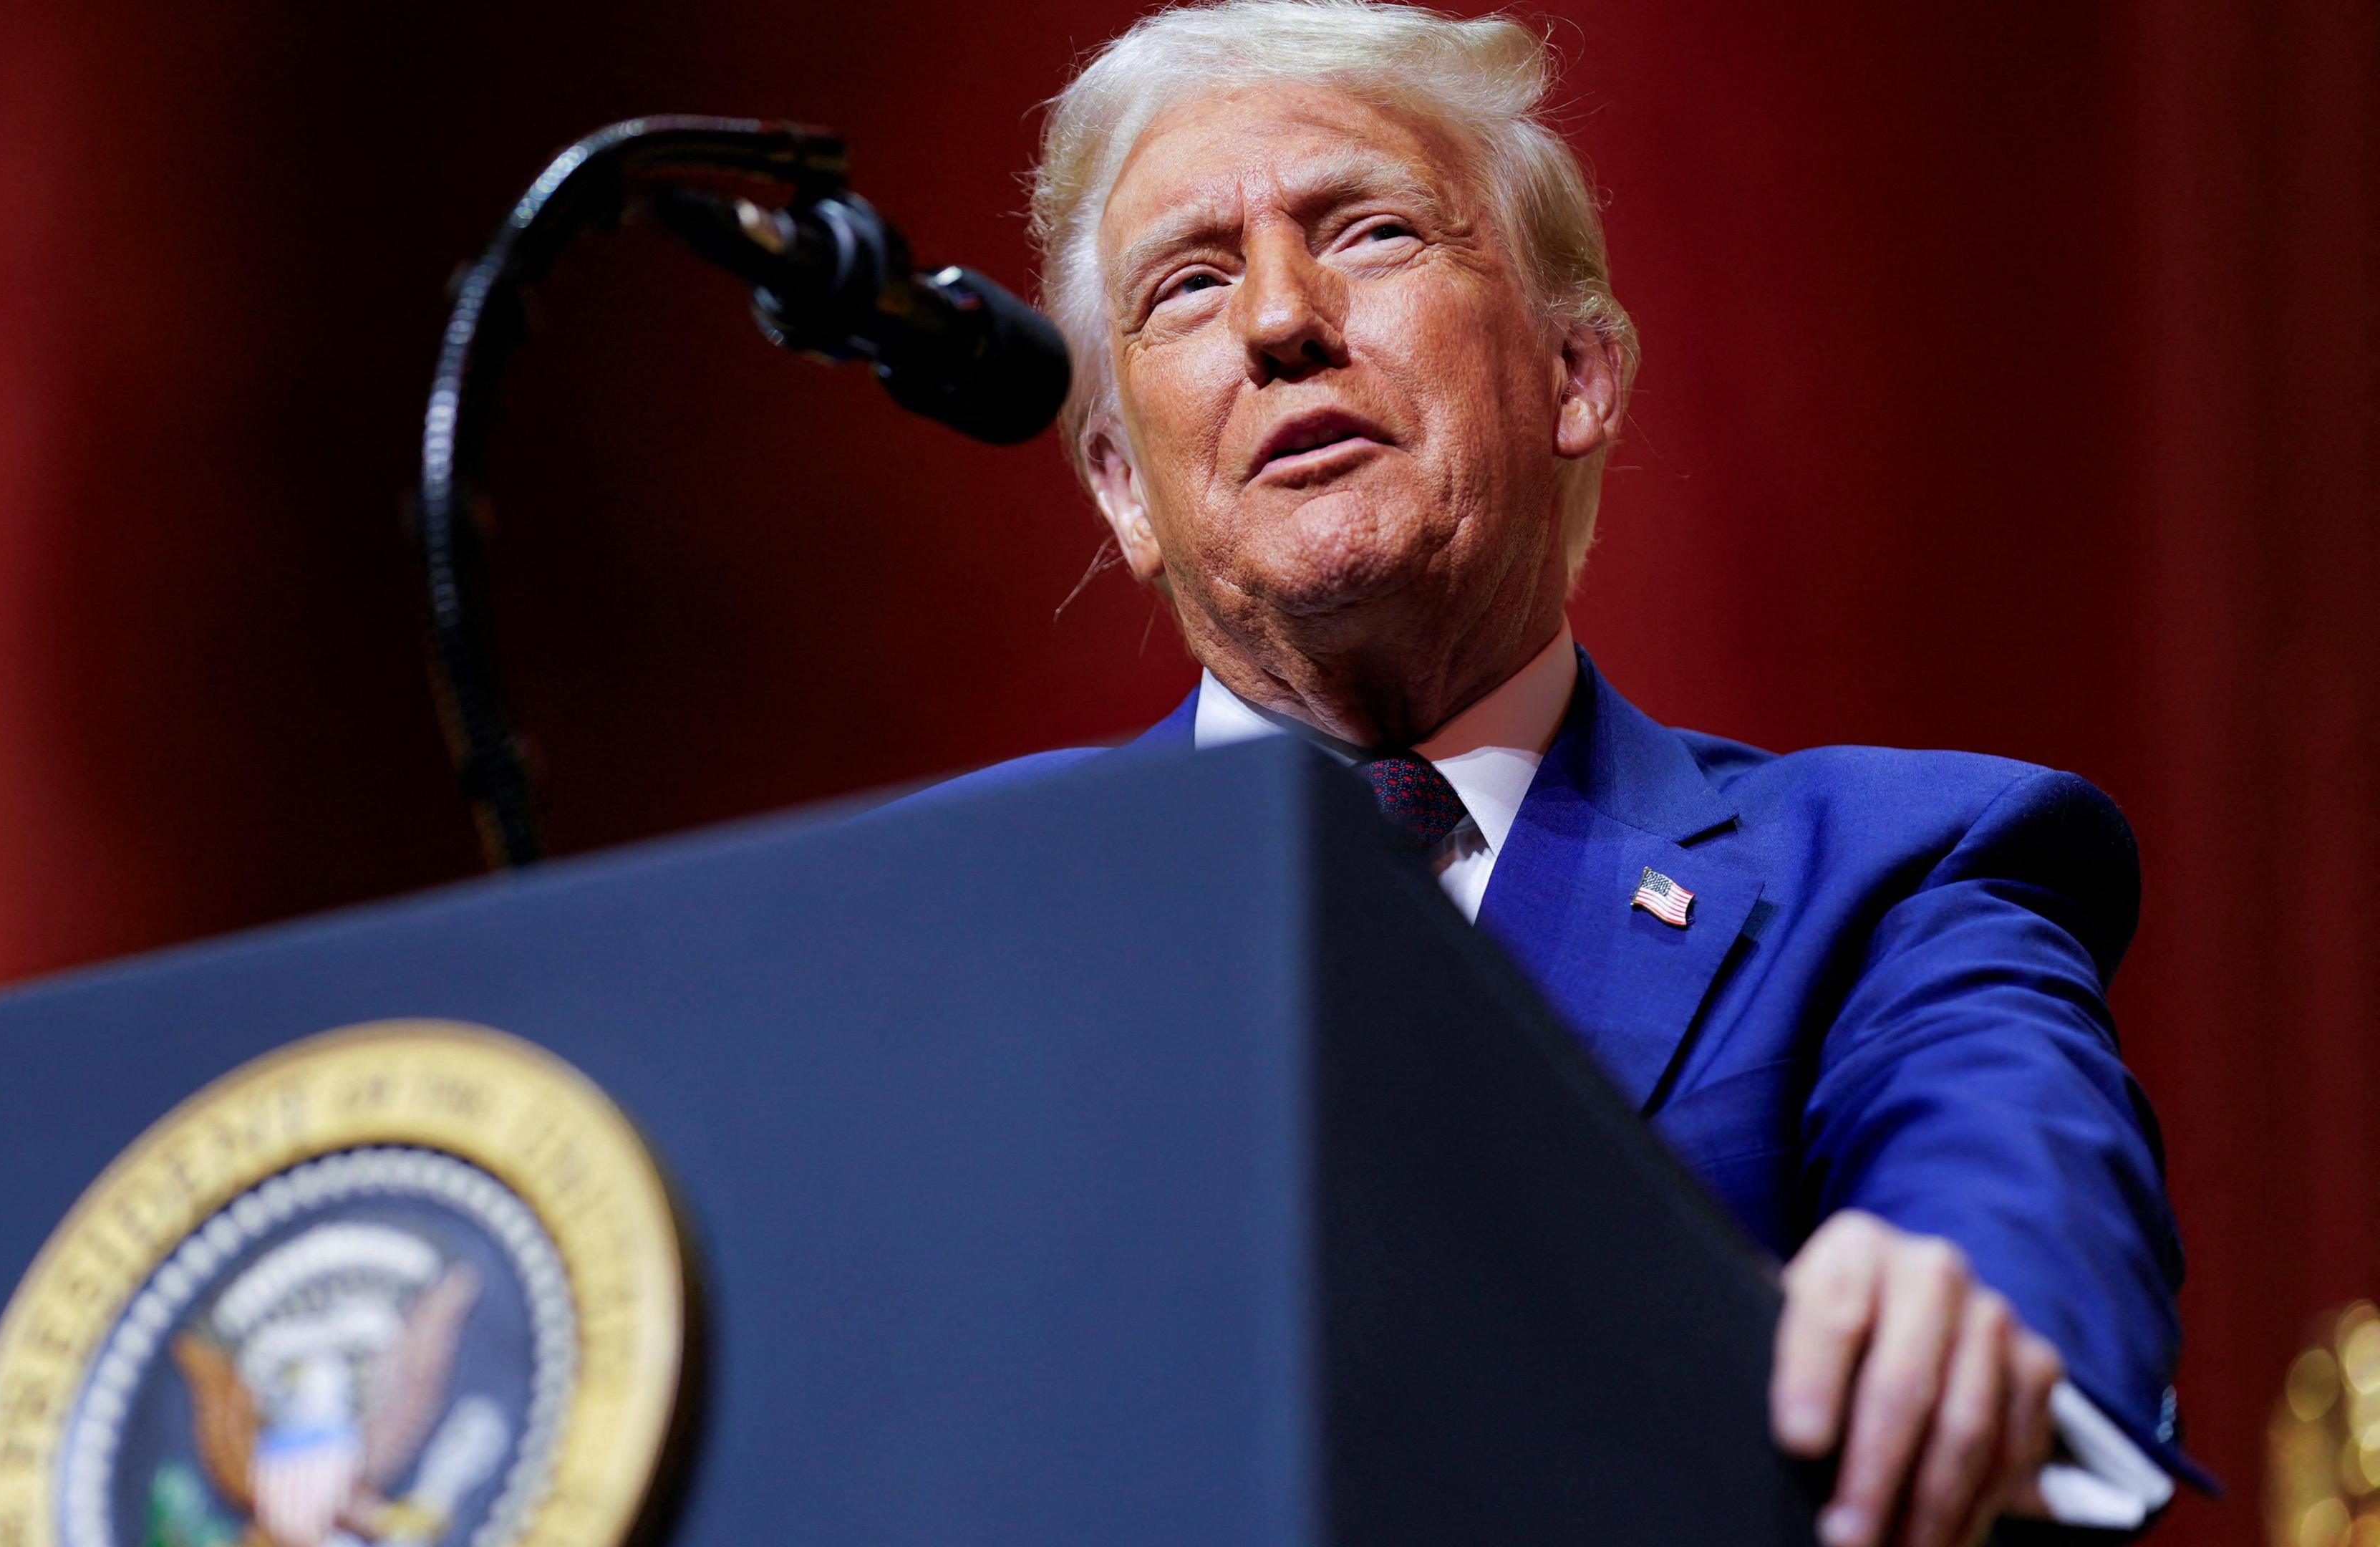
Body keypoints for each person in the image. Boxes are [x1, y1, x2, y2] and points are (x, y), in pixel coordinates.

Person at [906, 3, 2197, 1542]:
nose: (1277, 319)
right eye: (1189, 281)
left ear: (1578, 369)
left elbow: (2016, 1199)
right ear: (1121, 484)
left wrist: (1953, 1310)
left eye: (1369, 232)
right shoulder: (940, 915)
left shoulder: (1894, 871)